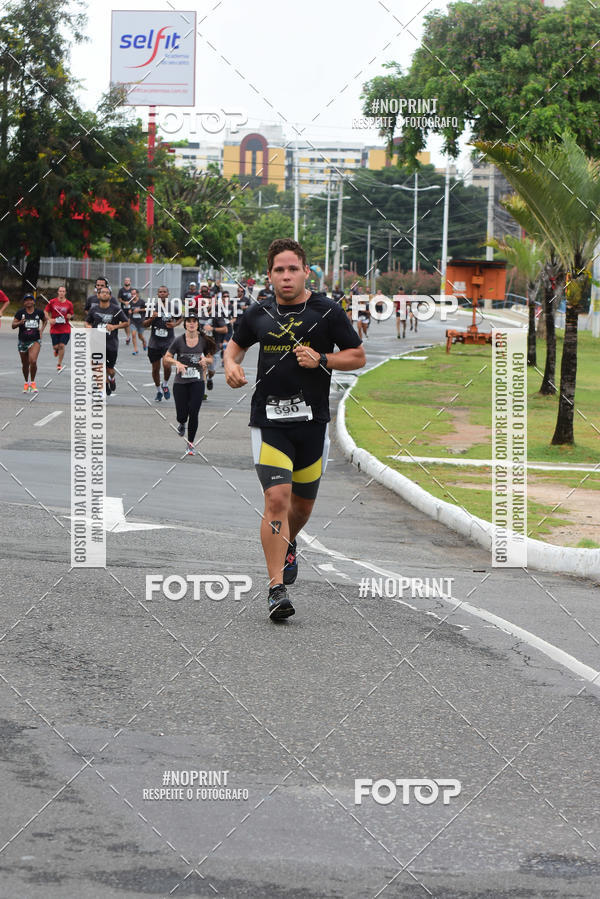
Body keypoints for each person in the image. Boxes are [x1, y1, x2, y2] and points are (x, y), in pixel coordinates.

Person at [224, 238, 365, 621]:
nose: (286, 276)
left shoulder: (327, 311)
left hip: (312, 424)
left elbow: (357, 355)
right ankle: (275, 589)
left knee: (300, 508)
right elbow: (234, 348)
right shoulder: (258, 313)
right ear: (269, 275)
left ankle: (289, 543)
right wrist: (230, 366)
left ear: (306, 271)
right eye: (278, 270)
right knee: (277, 501)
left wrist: (323, 358)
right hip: (269, 422)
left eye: (292, 269)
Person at [163, 313, 215, 456]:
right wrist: (177, 362)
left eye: (194, 321)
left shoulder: (203, 341)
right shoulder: (178, 341)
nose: (192, 324)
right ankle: (181, 423)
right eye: (189, 321)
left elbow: (211, 358)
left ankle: (190, 444)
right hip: (180, 382)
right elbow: (167, 357)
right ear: (185, 324)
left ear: (198, 324)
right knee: (182, 415)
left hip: (197, 381)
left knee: (194, 412)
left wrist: (206, 361)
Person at [85, 285, 129, 395]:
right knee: (98, 366)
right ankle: (102, 389)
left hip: (111, 343)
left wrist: (114, 327)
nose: (104, 294)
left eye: (107, 292)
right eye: (102, 292)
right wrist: (88, 327)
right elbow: (87, 322)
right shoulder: (94, 309)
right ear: (98, 295)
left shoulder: (116, 309)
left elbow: (126, 322)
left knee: (110, 370)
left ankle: (111, 379)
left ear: (110, 296)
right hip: (96, 342)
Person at [144, 285, 181, 402]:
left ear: (168, 294)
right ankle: (159, 390)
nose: (162, 294)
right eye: (160, 292)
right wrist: (151, 319)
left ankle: (165, 384)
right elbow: (144, 324)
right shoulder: (152, 307)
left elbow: (181, 318)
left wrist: (174, 324)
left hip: (168, 342)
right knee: (155, 369)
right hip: (154, 343)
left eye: (164, 292)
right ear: (157, 294)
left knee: (167, 365)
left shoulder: (173, 307)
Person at [12, 293, 47, 392]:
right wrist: (19, 323)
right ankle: (26, 382)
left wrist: (41, 330)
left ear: (33, 301)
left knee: (33, 361)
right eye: (26, 300)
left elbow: (45, 320)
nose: (28, 302)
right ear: (24, 302)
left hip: (35, 340)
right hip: (22, 341)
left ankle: (33, 382)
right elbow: (13, 325)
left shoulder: (39, 312)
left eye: (30, 300)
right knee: (25, 364)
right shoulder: (20, 313)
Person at [44, 285, 73, 371]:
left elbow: (71, 314)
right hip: (54, 328)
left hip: (65, 328)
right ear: (58, 292)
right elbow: (45, 311)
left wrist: (69, 316)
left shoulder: (69, 304)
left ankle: (59, 363)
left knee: (62, 345)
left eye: (63, 291)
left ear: (65, 293)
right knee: (56, 347)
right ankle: (56, 350)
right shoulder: (52, 302)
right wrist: (49, 319)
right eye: (60, 291)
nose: (61, 293)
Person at [129, 288, 147, 354]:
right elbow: (130, 309)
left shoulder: (142, 301)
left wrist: (139, 310)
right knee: (133, 334)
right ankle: (135, 349)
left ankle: (144, 341)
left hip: (141, 321)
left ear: (137, 294)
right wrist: (130, 311)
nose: (133, 295)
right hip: (133, 321)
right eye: (132, 294)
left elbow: (147, 308)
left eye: (134, 294)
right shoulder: (130, 302)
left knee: (140, 336)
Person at [117, 277, 133, 345]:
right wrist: (124, 302)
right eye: (125, 281)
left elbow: (135, 298)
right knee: (125, 323)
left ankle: (128, 337)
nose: (126, 282)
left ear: (130, 282)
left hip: (130, 309)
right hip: (123, 309)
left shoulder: (132, 290)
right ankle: (128, 336)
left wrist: (130, 303)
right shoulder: (121, 290)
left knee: (128, 322)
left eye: (128, 281)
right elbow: (119, 299)